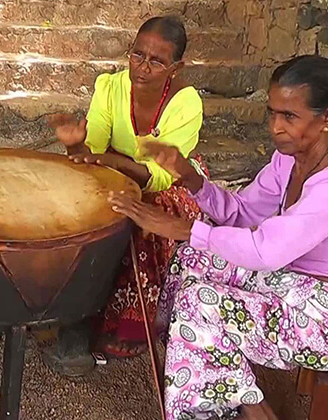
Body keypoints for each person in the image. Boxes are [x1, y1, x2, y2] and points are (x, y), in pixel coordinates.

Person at [109, 55, 328, 420]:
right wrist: (188, 176)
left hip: (319, 308)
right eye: (272, 112)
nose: (276, 127)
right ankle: (234, 389)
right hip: (286, 282)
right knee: (190, 261)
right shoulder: (288, 160)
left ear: (326, 120)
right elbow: (243, 214)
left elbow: (267, 250)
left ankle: (232, 403)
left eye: (290, 117)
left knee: (199, 301)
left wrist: (185, 228)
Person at [50, 15, 207, 358]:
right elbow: (93, 150)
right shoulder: (109, 86)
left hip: (170, 183)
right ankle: (73, 317)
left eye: (156, 61)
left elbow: (163, 174)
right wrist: (76, 147)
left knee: (145, 225)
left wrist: (110, 162)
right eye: (137, 55)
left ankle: (129, 328)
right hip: (114, 174)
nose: (143, 67)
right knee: (78, 219)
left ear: (176, 67)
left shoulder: (186, 102)